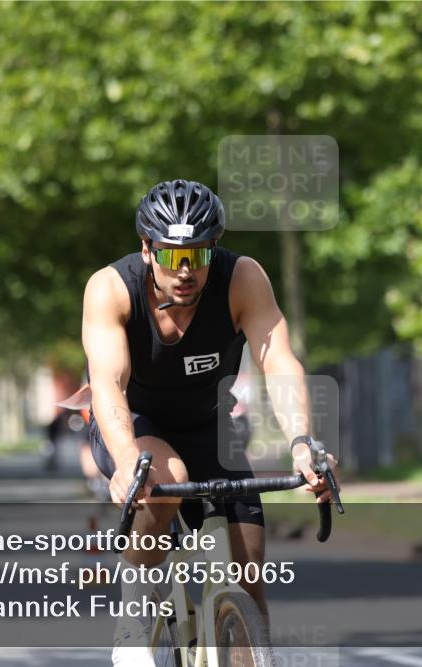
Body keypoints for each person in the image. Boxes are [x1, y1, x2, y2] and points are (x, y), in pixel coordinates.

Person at [76, 179, 339, 666]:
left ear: (213, 250)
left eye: (197, 256)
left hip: (208, 428)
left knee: (249, 578)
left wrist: (304, 445)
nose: (185, 272)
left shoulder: (242, 279)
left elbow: (278, 361)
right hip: (135, 424)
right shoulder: (111, 289)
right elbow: (108, 383)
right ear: (147, 248)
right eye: (172, 257)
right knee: (163, 477)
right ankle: (136, 612)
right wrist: (128, 457)